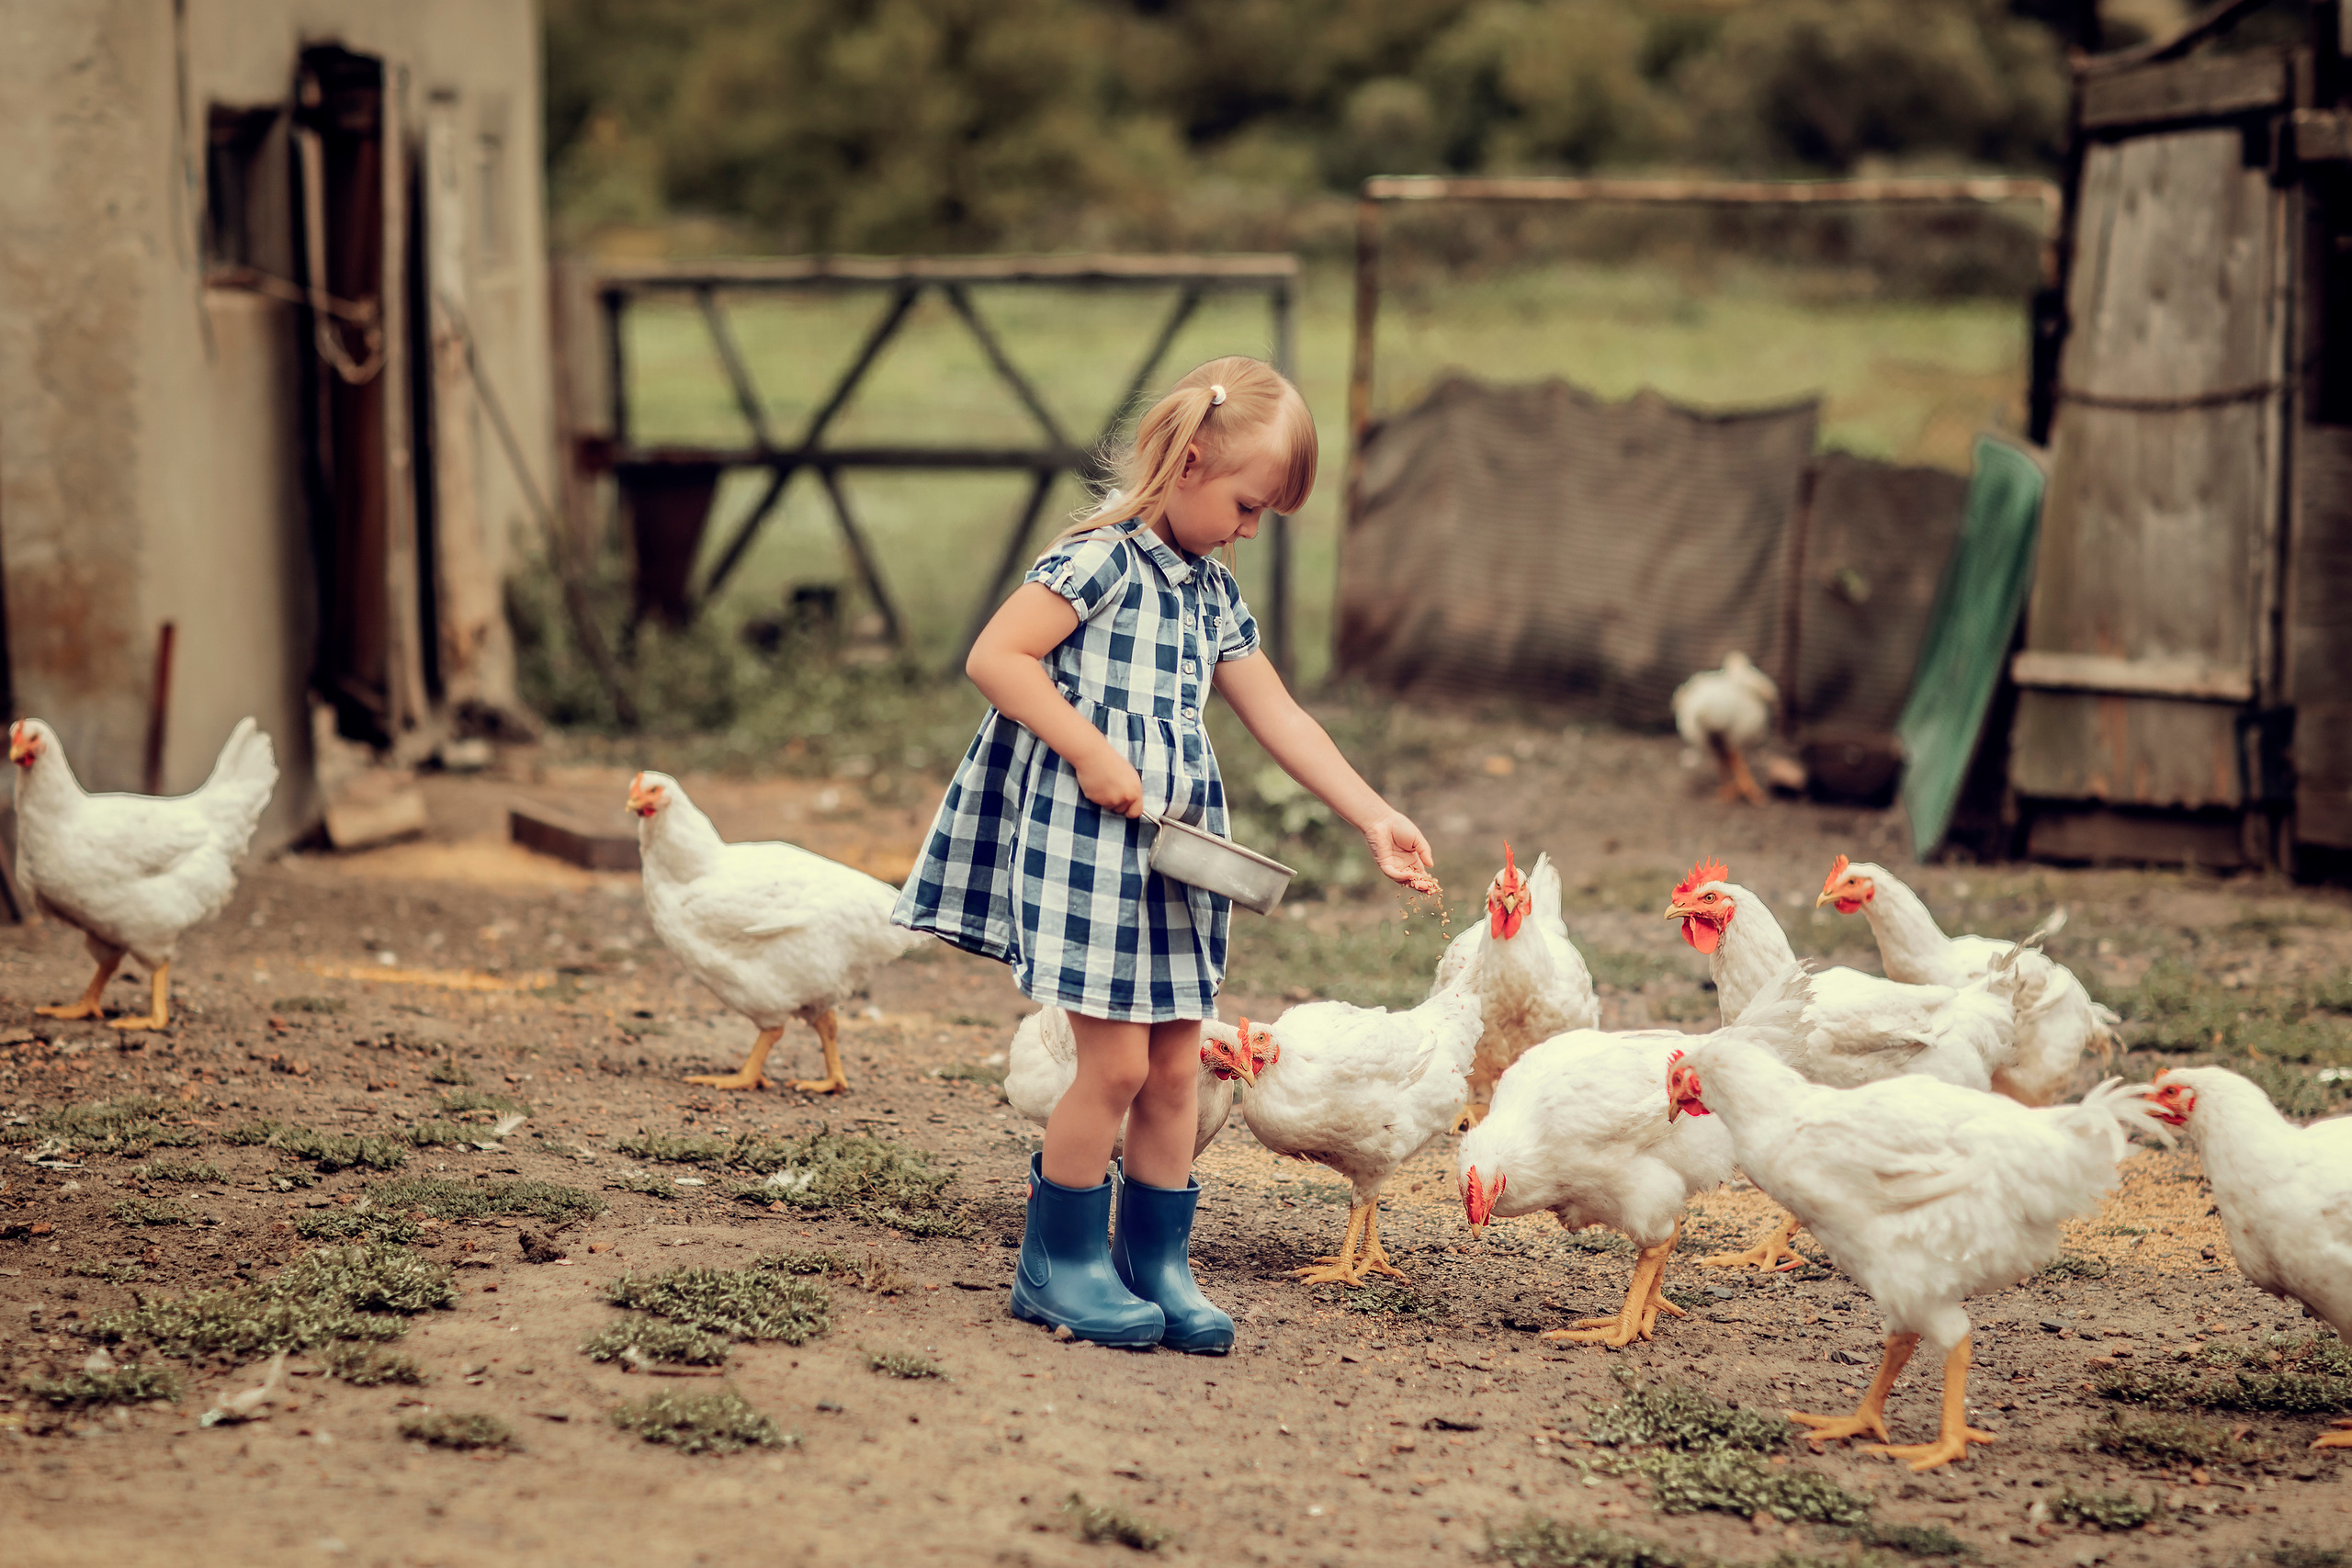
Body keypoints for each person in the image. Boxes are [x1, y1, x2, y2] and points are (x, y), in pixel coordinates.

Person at [894, 355, 1437, 1352]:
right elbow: (995, 657)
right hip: (1088, 848)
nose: (1246, 528)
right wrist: (1092, 752)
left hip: (1174, 858)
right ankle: (1058, 1265)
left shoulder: (1208, 589)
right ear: (1188, 462)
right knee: (1111, 1070)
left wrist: (1372, 814)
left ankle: (1155, 1262)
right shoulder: (1098, 560)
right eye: (1245, 503)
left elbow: (1276, 711)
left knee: (1179, 1075)